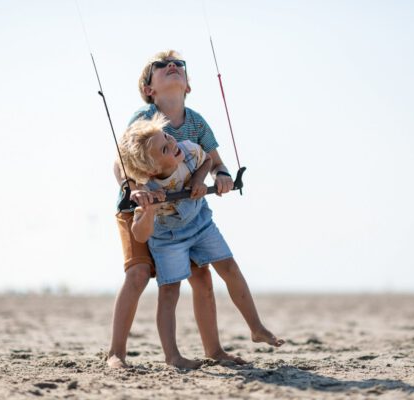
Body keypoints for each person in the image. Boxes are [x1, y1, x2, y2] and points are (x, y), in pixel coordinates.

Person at [118, 112, 284, 367]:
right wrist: (149, 210)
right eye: (165, 147)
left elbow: (206, 160)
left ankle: (256, 327)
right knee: (170, 290)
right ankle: (173, 356)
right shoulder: (145, 186)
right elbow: (141, 234)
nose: (172, 144)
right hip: (167, 237)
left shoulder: (188, 150)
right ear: (151, 169)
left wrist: (198, 178)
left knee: (229, 268)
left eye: (167, 137)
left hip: (200, 223)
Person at [108, 50, 240, 369]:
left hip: (184, 216)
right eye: (161, 66)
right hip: (139, 211)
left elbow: (216, 164)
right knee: (138, 274)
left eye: (179, 65)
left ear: (187, 85)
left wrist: (221, 177)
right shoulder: (144, 119)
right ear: (149, 89)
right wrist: (134, 188)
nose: (172, 66)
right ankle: (116, 353)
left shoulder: (196, 122)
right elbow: (119, 162)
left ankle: (215, 350)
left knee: (202, 277)